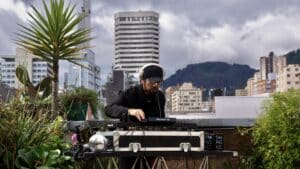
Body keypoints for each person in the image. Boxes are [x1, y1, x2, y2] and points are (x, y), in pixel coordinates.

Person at [105, 63, 166, 169]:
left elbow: (162, 119)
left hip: (151, 145)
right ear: (142, 80)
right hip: (129, 145)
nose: (156, 85)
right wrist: (130, 111)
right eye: (152, 82)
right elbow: (109, 109)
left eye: (159, 82)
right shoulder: (129, 93)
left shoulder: (160, 96)